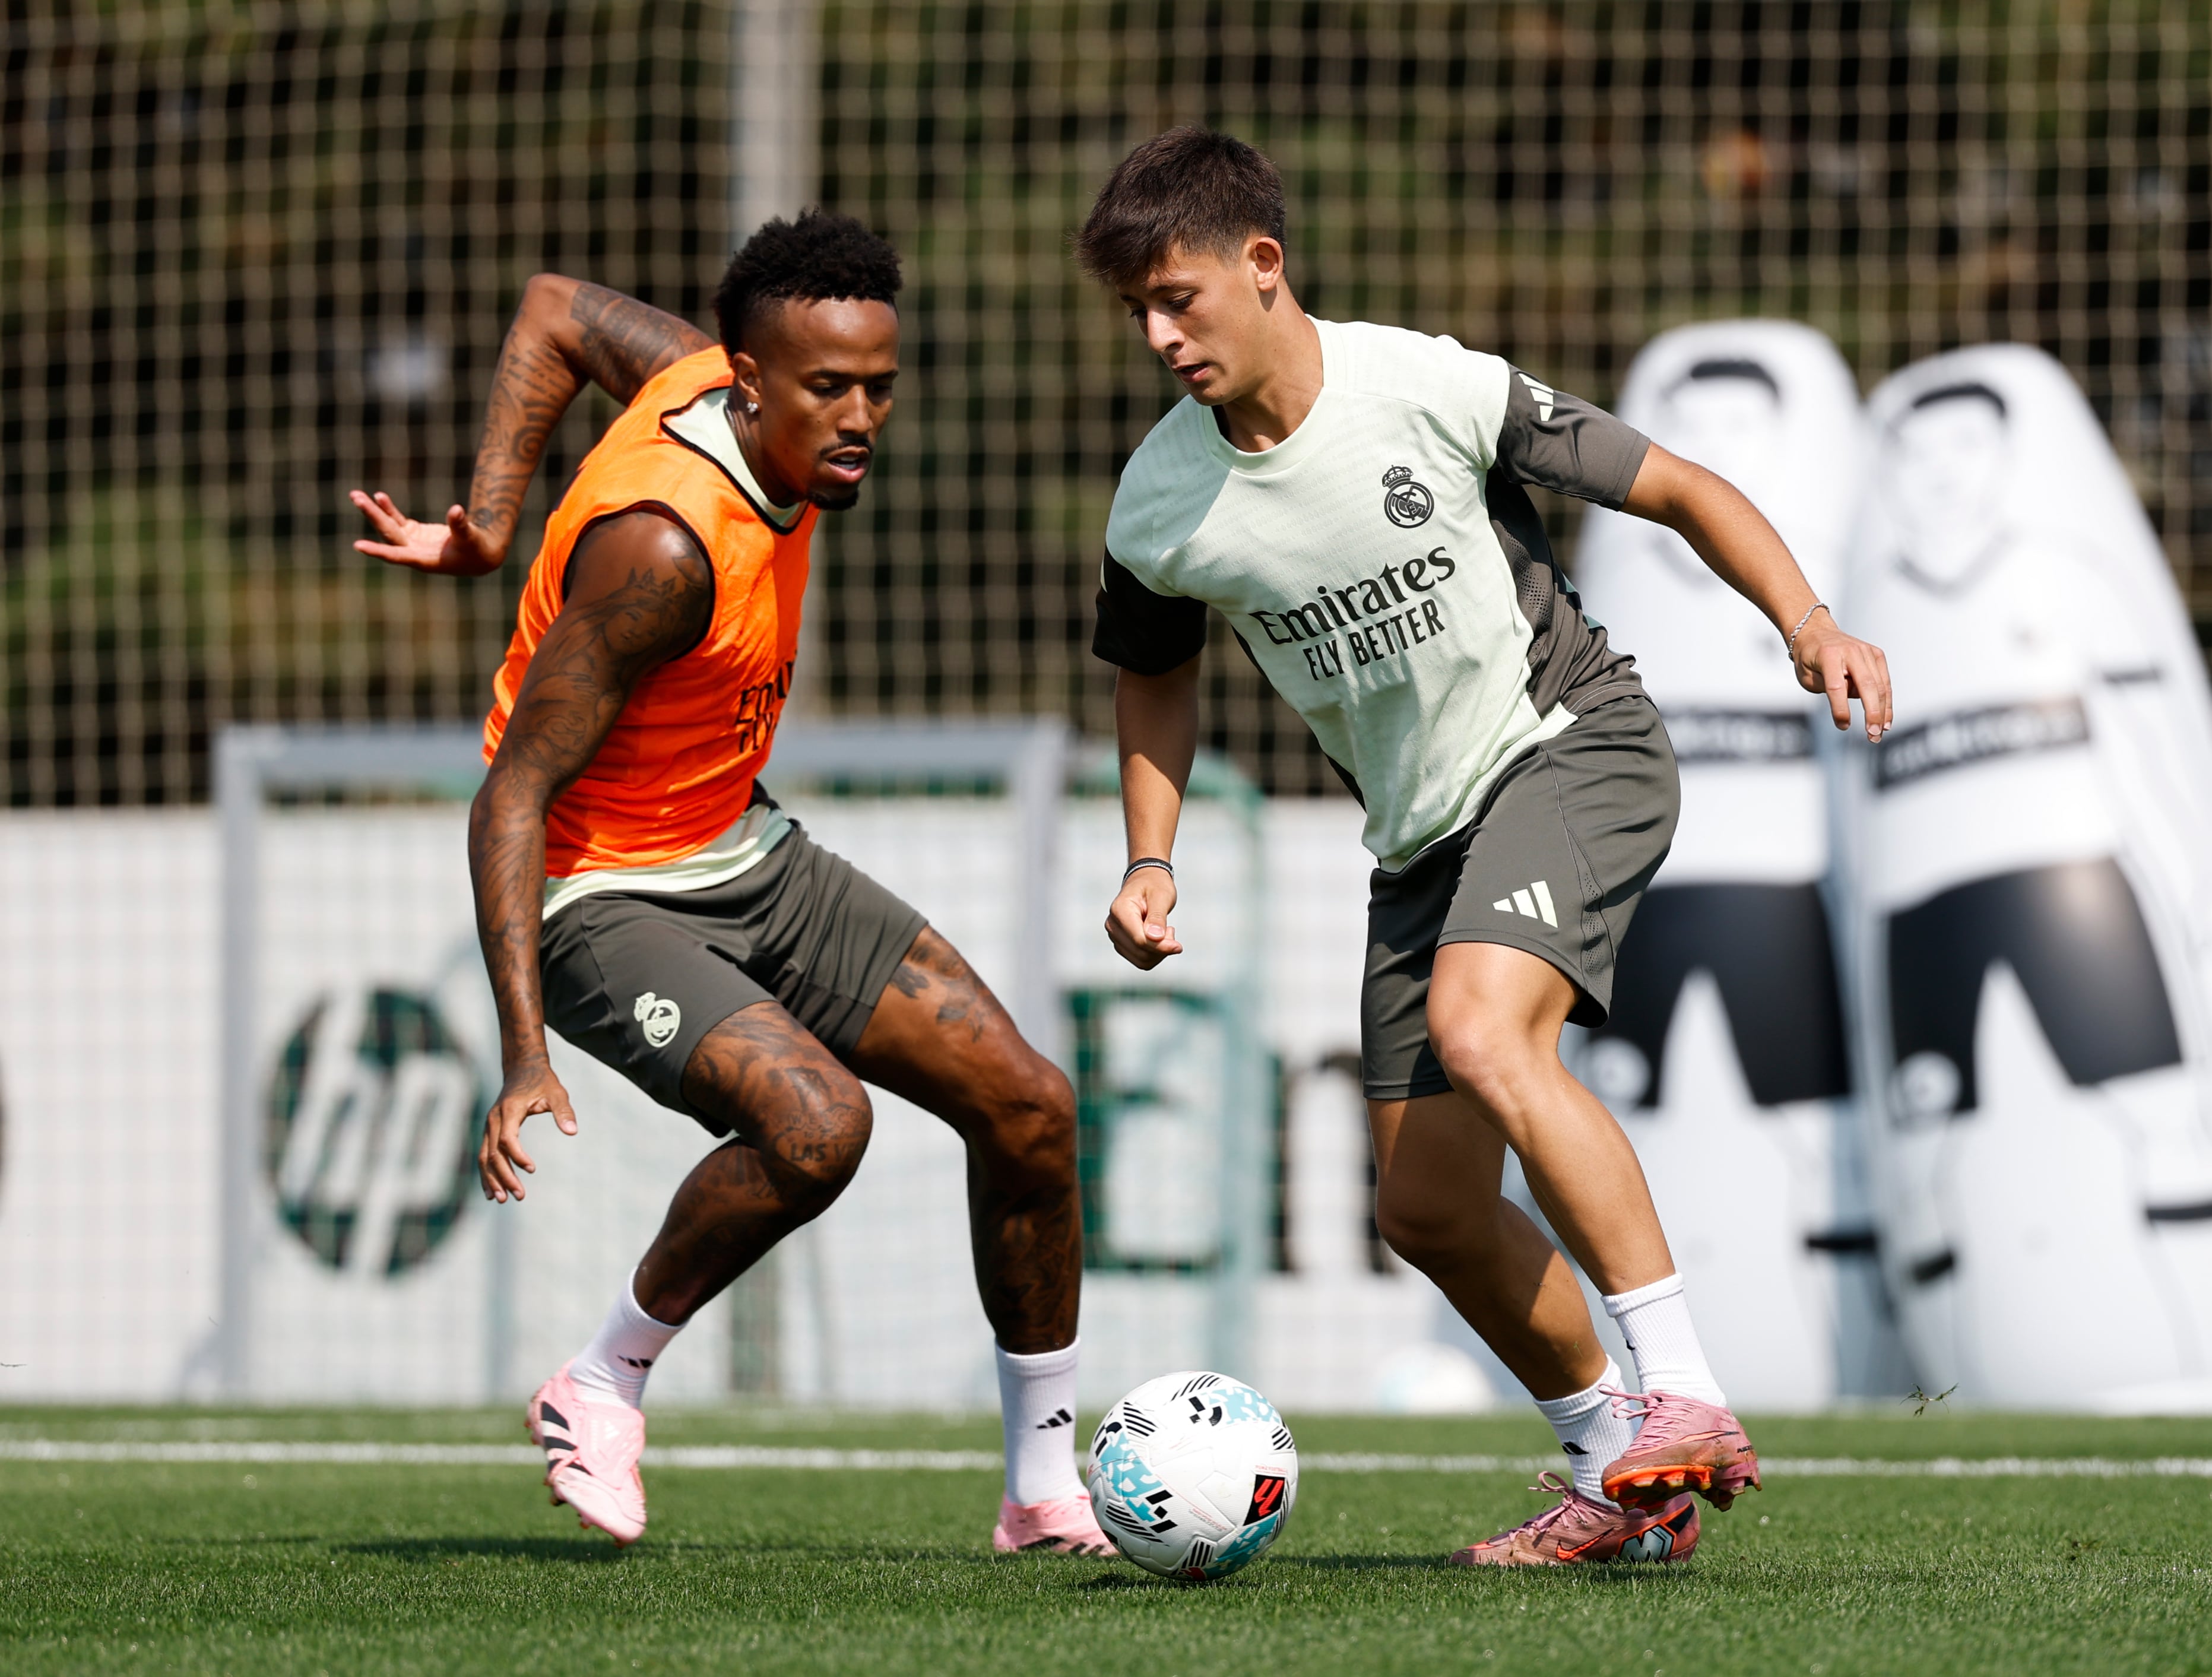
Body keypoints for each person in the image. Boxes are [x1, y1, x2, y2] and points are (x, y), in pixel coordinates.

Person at [1078, 129, 1893, 1567]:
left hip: (1574, 746)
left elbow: (1685, 488)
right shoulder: (1158, 507)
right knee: (1429, 1206)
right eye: (1138, 311)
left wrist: (1809, 623)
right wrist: (1152, 856)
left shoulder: (1424, 385)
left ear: (1263, 266)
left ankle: (1687, 1398)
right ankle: (1618, 1491)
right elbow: (1154, 672)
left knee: (1486, 1026)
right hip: (1419, 844)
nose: (1159, 335)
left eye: (1179, 296)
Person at [350, 211, 1107, 1556]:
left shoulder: (707, 368)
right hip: (599, 891)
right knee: (818, 1127)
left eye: (880, 382)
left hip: (741, 847)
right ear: (751, 384)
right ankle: (604, 1378)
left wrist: (488, 522)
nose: (862, 415)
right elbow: (512, 798)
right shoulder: (663, 554)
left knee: (1031, 1108)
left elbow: (552, 307)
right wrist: (524, 1053)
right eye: (829, 390)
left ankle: (1044, 1492)